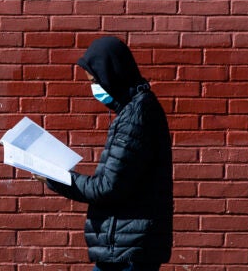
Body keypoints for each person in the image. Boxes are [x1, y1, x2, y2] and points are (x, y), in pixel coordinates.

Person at [34, 36, 173, 271]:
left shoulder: (135, 118)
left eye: (95, 81)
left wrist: (55, 177)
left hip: (126, 252)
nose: (95, 89)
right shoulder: (136, 111)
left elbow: (107, 187)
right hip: (125, 245)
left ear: (111, 75)